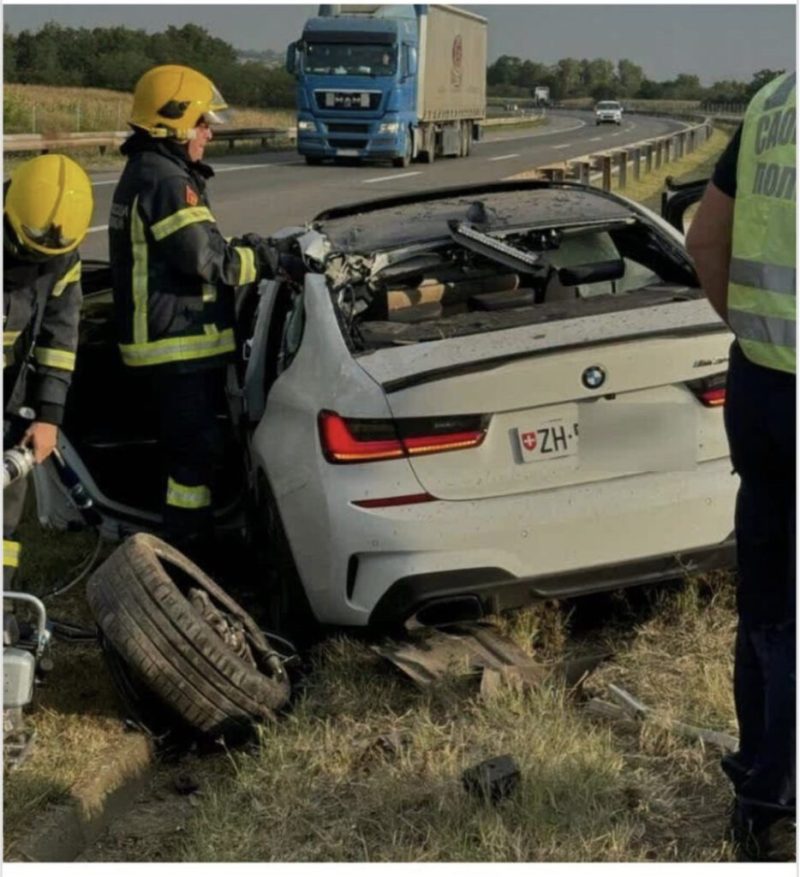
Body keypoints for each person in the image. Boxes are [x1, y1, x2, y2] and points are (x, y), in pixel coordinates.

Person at [686, 71, 795, 861]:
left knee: (769, 604)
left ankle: (761, 798)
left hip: (759, 387)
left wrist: (757, 338)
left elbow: (704, 239)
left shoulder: (774, 100)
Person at [109, 64, 279, 564]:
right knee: (194, 456)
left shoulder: (151, 170)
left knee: (192, 452)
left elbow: (196, 246)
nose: (209, 132)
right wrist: (269, 262)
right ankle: (191, 555)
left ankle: (192, 543)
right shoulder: (165, 180)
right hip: (175, 346)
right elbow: (209, 261)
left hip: (168, 342)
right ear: (174, 123)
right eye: (202, 122)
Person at [3, 154, 94, 586]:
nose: (34, 264)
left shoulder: (62, 258)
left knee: (4, 519)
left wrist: (48, 416)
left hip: (10, 402)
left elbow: (60, 339)